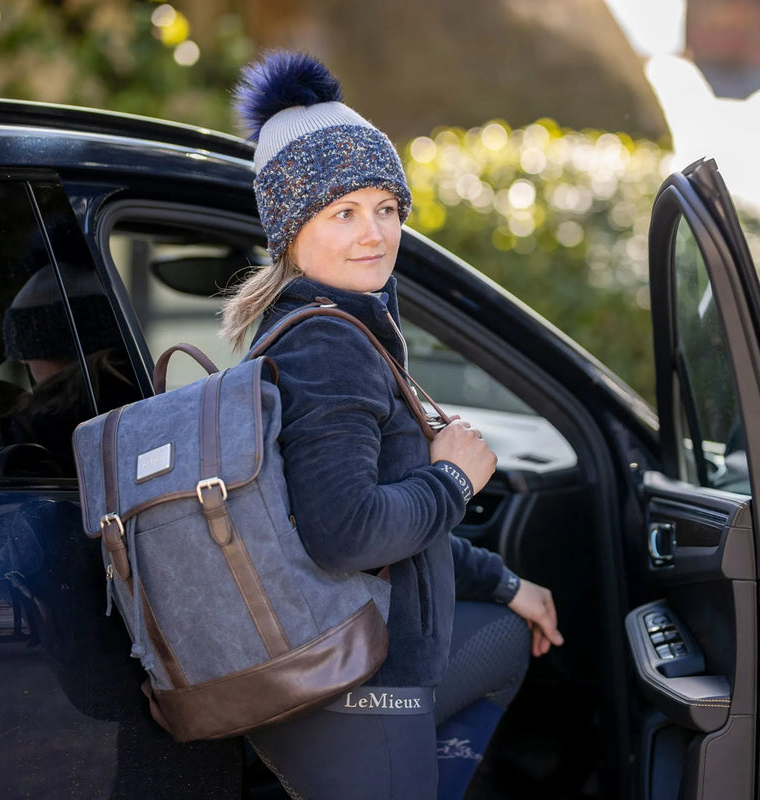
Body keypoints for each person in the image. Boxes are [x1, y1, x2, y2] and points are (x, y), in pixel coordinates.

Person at [220, 50, 564, 800]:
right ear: (290, 228)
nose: (373, 233)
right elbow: (346, 533)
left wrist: (505, 582)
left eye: (385, 207)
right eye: (342, 212)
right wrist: (452, 477)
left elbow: (399, 537)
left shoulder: (337, 326)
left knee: (506, 638)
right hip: (357, 680)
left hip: (352, 664)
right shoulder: (327, 343)